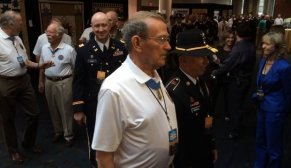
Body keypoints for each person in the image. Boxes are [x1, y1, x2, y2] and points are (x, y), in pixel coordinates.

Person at [91, 11, 178, 168]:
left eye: (167, 38)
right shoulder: (114, 89)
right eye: (161, 39)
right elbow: (103, 157)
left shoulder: (154, 72)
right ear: (137, 43)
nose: (168, 46)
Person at [72, 12, 127, 167]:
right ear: (92, 27)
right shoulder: (83, 50)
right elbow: (78, 80)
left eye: (104, 25)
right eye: (97, 25)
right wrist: (78, 108)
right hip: (94, 103)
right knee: (96, 137)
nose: (101, 29)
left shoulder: (121, 47)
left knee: (119, 135)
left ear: (110, 26)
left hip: (119, 101)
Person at [0, 10, 53, 164]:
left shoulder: (16, 38)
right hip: (5, 82)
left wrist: (39, 65)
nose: (23, 23)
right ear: (10, 24)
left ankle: (28, 142)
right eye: (20, 21)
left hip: (24, 80)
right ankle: (13, 151)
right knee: (7, 119)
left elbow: (24, 60)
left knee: (35, 113)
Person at [166, 29, 217, 168]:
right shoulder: (174, 91)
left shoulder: (202, 79)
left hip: (203, 151)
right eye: (202, 57)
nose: (207, 62)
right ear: (183, 60)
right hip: (187, 158)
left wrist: (211, 145)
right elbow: (173, 136)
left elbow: (207, 115)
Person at [253, 32, 291, 168]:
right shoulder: (263, 61)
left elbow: (290, 93)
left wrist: (284, 112)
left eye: (267, 44)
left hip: (275, 111)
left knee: (273, 145)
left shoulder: (284, 67)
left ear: (276, 47)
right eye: (262, 43)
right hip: (261, 107)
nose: (262, 46)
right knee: (260, 140)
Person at [212, 22, 256, 139]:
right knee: (239, 105)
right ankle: (236, 126)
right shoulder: (251, 45)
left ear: (237, 33)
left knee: (235, 107)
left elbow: (227, 66)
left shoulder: (239, 48)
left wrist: (215, 72)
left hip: (238, 81)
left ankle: (235, 131)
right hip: (246, 79)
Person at [39, 21, 76, 147]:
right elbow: (41, 66)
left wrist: (73, 85)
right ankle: (58, 131)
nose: (47, 34)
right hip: (49, 81)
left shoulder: (69, 50)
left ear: (59, 35)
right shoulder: (44, 48)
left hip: (64, 82)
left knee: (65, 109)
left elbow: (75, 68)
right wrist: (41, 81)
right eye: (46, 32)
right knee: (52, 108)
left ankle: (68, 135)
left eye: (50, 32)